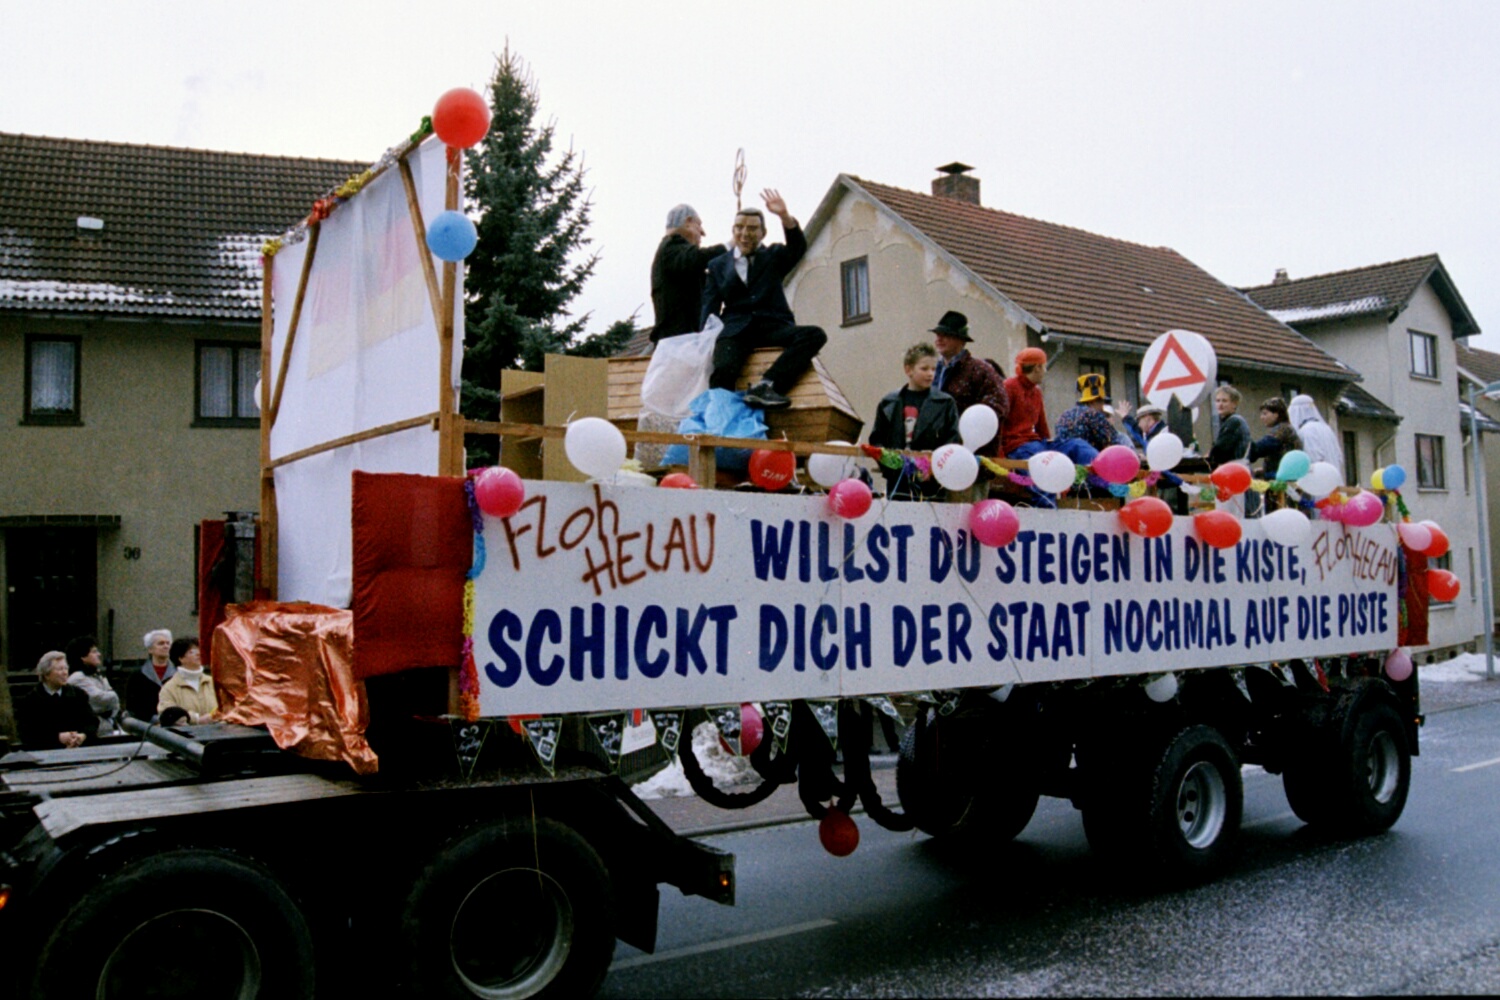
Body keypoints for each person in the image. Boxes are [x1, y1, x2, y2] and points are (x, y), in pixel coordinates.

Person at [701, 190, 827, 409]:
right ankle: (721, 415)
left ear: (763, 233)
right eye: (739, 228)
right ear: (733, 231)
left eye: (752, 228)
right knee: (723, 369)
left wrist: (784, 216)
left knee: (814, 335)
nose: (745, 233)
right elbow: (709, 307)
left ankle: (767, 386)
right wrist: (704, 339)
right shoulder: (717, 265)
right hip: (736, 330)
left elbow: (797, 248)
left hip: (772, 326)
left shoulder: (774, 255)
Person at [868, 342, 960, 500]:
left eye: (934, 369)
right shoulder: (888, 402)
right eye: (924, 369)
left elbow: (953, 441)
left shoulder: (945, 403)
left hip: (932, 482)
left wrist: (934, 467)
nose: (930, 374)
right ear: (908, 369)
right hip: (897, 480)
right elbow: (877, 440)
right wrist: (891, 467)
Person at [929, 311, 1007, 457]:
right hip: (936, 453)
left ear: (961, 340)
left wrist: (966, 433)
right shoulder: (931, 371)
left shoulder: (980, 370)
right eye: (937, 334)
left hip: (972, 457)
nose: (939, 338)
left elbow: (997, 408)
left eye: (946, 334)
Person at [650, 204, 729, 343]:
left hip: (681, 341)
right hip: (679, 342)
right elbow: (697, 257)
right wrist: (731, 246)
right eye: (699, 225)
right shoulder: (671, 248)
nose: (703, 233)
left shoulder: (676, 260)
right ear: (688, 222)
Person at [19, 651, 97, 750]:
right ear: (46, 675)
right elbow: (28, 733)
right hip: (46, 753)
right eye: (60, 669)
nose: (65, 673)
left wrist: (82, 736)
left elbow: (92, 722)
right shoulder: (32, 700)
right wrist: (58, 737)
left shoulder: (78, 695)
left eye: (66, 668)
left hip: (79, 751)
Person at [1053, 374, 1120, 467]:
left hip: (1065, 466)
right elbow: (1114, 443)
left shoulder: (1063, 416)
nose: (1102, 406)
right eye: (1101, 402)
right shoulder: (1094, 415)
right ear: (1092, 402)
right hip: (1090, 467)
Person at [64, 635, 120, 738]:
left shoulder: (97, 675)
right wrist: (112, 696)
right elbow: (100, 699)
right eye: (94, 652)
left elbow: (113, 704)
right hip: (92, 732)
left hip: (105, 728)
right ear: (83, 657)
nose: (99, 654)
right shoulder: (78, 678)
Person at [157, 637, 218, 725]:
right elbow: (167, 713)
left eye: (199, 650)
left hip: (218, 730)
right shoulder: (169, 688)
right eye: (192, 652)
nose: (198, 654)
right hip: (186, 732)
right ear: (181, 658)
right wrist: (196, 719)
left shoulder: (213, 682)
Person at [1289, 393, 1344, 478]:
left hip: (1319, 479)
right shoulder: (1326, 428)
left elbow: (1313, 458)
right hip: (1333, 477)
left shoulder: (1306, 430)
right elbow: (1339, 456)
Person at [126, 628, 176, 722]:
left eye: (168, 643)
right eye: (161, 643)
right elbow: (133, 706)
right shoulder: (138, 675)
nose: (165, 646)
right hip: (146, 724)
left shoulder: (178, 673)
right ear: (150, 649)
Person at [1248, 397, 1303, 481]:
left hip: (1282, 480)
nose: (1262, 417)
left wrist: (1244, 440)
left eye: (1265, 414)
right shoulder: (1286, 428)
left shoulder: (1282, 430)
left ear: (1276, 415)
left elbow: (1261, 448)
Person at [1207, 385, 1251, 469]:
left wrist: (1210, 457)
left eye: (1224, 401)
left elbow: (1220, 450)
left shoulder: (1234, 422)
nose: (1220, 404)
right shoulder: (1233, 421)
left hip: (1234, 469)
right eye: (1218, 401)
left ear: (1234, 404)